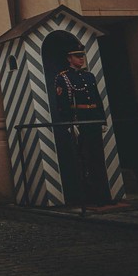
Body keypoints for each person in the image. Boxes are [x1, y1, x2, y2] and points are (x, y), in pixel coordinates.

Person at [53, 47, 111, 207]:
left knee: (97, 157)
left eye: (81, 56)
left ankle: (102, 195)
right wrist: (71, 123)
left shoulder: (89, 76)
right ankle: (88, 195)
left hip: (92, 119)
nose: (81, 59)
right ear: (69, 58)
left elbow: (97, 99)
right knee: (83, 157)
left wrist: (102, 120)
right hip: (80, 120)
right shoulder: (63, 78)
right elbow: (62, 103)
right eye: (77, 56)